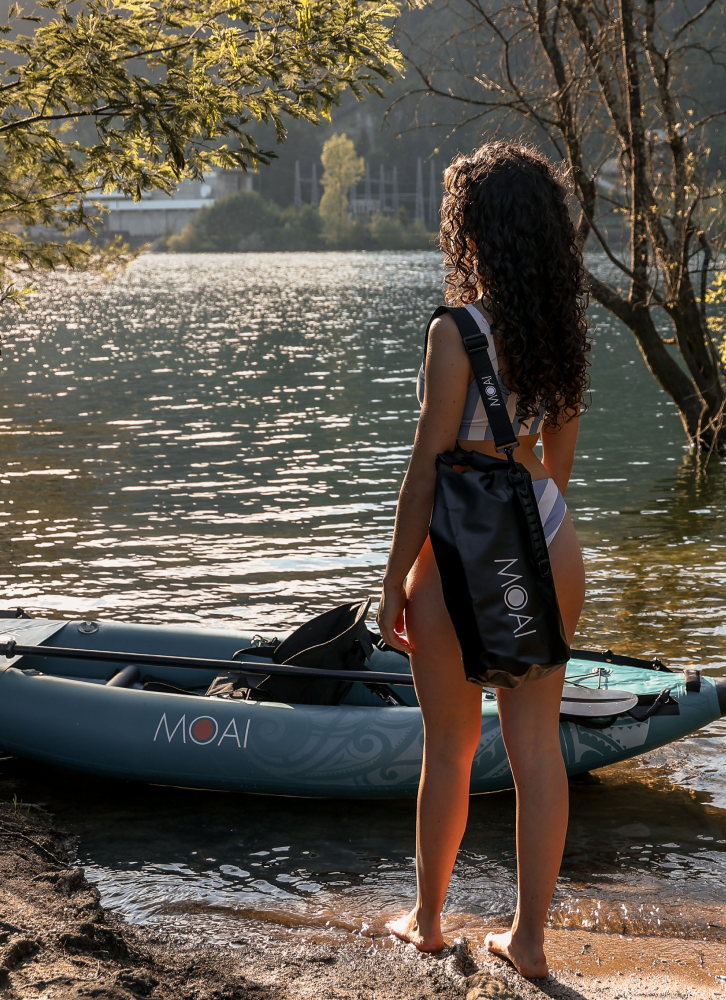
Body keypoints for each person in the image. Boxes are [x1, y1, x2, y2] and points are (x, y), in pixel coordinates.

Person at [376, 142, 589, 980]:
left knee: (451, 748)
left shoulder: (455, 331)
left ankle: (428, 921)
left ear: (475, 231)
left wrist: (395, 574)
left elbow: (427, 468)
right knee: (538, 747)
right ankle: (529, 943)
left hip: (462, 550)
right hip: (545, 536)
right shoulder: (565, 334)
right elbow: (558, 467)